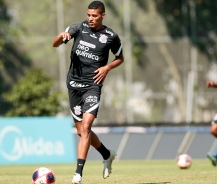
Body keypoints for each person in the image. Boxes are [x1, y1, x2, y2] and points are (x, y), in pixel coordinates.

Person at [52, 1, 124, 183]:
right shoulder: (78, 27)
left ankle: (78, 173)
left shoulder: (110, 36)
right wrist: (61, 37)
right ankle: (107, 154)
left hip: (93, 86)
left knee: (86, 127)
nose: (90, 19)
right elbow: (55, 44)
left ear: (103, 16)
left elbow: (120, 58)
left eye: (94, 16)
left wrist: (107, 68)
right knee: (80, 131)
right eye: (89, 15)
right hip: (74, 85)